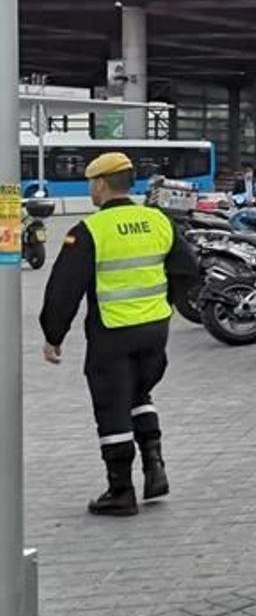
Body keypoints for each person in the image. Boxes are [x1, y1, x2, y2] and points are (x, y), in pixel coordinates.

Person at [39, 152, 199, 516]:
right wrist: (165, 304)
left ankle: (121, 491)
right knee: (139, 393)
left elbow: (64, 290)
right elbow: (188, 269)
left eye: (90, 183)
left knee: (112, 405)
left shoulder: (90, 231)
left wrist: (53, 336)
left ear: (99, 184)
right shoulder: (158, 220)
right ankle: (154, 467)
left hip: (112, 333)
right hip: (155, 330)